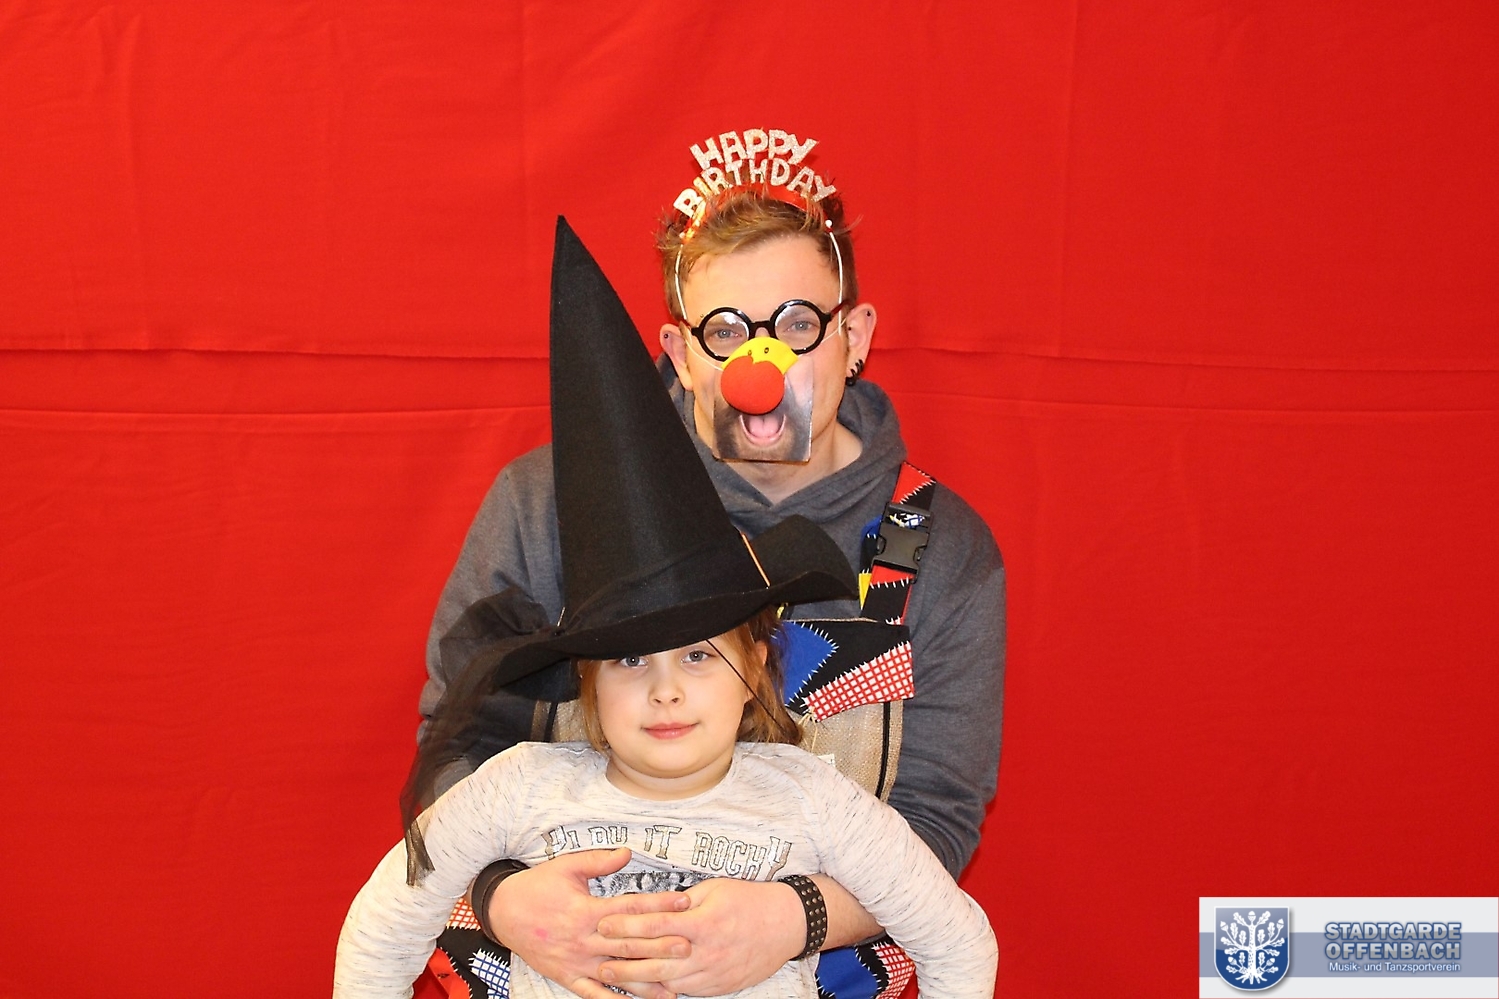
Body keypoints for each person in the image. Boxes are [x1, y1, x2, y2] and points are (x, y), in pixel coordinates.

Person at [335, 218, 997, 999]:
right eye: (725, 331)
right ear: (680, 354)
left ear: (854, 337)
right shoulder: (545, 504)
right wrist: (501, 896)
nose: (760, 364)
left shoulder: (934, 546)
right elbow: (458, 742)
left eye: (796, 324)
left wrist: (797, 917)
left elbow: (935, 819)